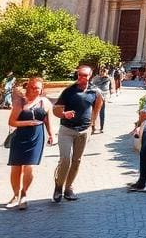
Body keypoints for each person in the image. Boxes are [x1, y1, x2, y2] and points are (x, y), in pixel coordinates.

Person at [52, 64, 103, 202]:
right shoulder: (69, 91)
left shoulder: (95, 91)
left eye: (84, 75)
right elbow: (55, 109)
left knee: (76, 161)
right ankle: (58, 187)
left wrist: (92, 124)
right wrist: (63, 114)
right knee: (65, 160)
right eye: (79, 74)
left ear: (90, 76)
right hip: (67, 130)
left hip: (84, 131)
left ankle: (69, 189)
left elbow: (98, 106)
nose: (81, 77)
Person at [6, 76, 54, 210]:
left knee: (29, 167)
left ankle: (24, 194)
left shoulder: (45, 102)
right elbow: (11, 122)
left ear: (41, 89)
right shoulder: (20, 102)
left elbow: (48, 120)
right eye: (32, 87)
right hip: (20, 136)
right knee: (16, 167)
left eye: (37, 88)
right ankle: (15, 195)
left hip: (36, 137)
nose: (34, 90)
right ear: (27, 87)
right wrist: (28, 123)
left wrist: (52, 135)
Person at [90, 66, 113, 134]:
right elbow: (91, 85)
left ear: (106, 72)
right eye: (101, 71)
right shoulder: (95, 78)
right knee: (93, 112)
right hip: (94, 96)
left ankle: (101, 127)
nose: (102, 73)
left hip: (102, 97)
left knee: (101, 112)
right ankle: (93, 126)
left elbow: (106, 88)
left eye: (104, 72)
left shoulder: (108, 79)